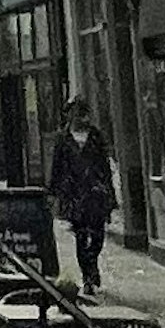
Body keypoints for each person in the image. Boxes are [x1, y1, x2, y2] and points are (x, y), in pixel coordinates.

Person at [51, 113, 118, 296]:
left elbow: (104, 166)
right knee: (80, 236)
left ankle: (92, 263)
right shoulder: (63, 138)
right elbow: (57, 167)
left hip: (95, 193)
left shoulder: (95, 136)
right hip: (74, 194)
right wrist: (54, 192)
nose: (82, 117)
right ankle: (88, 276)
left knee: (97, 235)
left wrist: (109, 193)